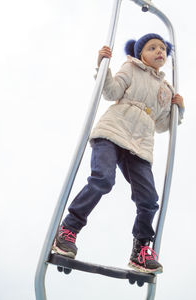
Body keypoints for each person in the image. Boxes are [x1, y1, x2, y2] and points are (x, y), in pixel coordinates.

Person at [52, 33, 184, 274]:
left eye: (163, 49)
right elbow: (111, 92)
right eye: (152, 47)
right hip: (114, 131)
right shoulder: (131, 68)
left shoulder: (166, 89)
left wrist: (178, 110)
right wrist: (103, 68)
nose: (159, 52)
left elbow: (162, 125)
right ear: (139, 52)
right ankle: (67, 229)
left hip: (140, 144)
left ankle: (141, 250)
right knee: (103, 179)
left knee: (149, 200)